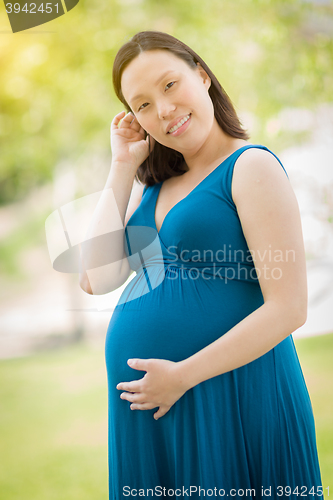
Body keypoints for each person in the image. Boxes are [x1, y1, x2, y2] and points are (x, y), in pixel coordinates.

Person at [79, 31, 324, 499]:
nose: (164, 110)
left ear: (202, 75)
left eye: (170, 85)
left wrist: (182, 376)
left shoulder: (250, 167)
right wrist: (121, 167)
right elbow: (95, 276)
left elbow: (290, 308)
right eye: (143, 105)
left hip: (230, 396)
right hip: (158, 410)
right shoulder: (157, 189)